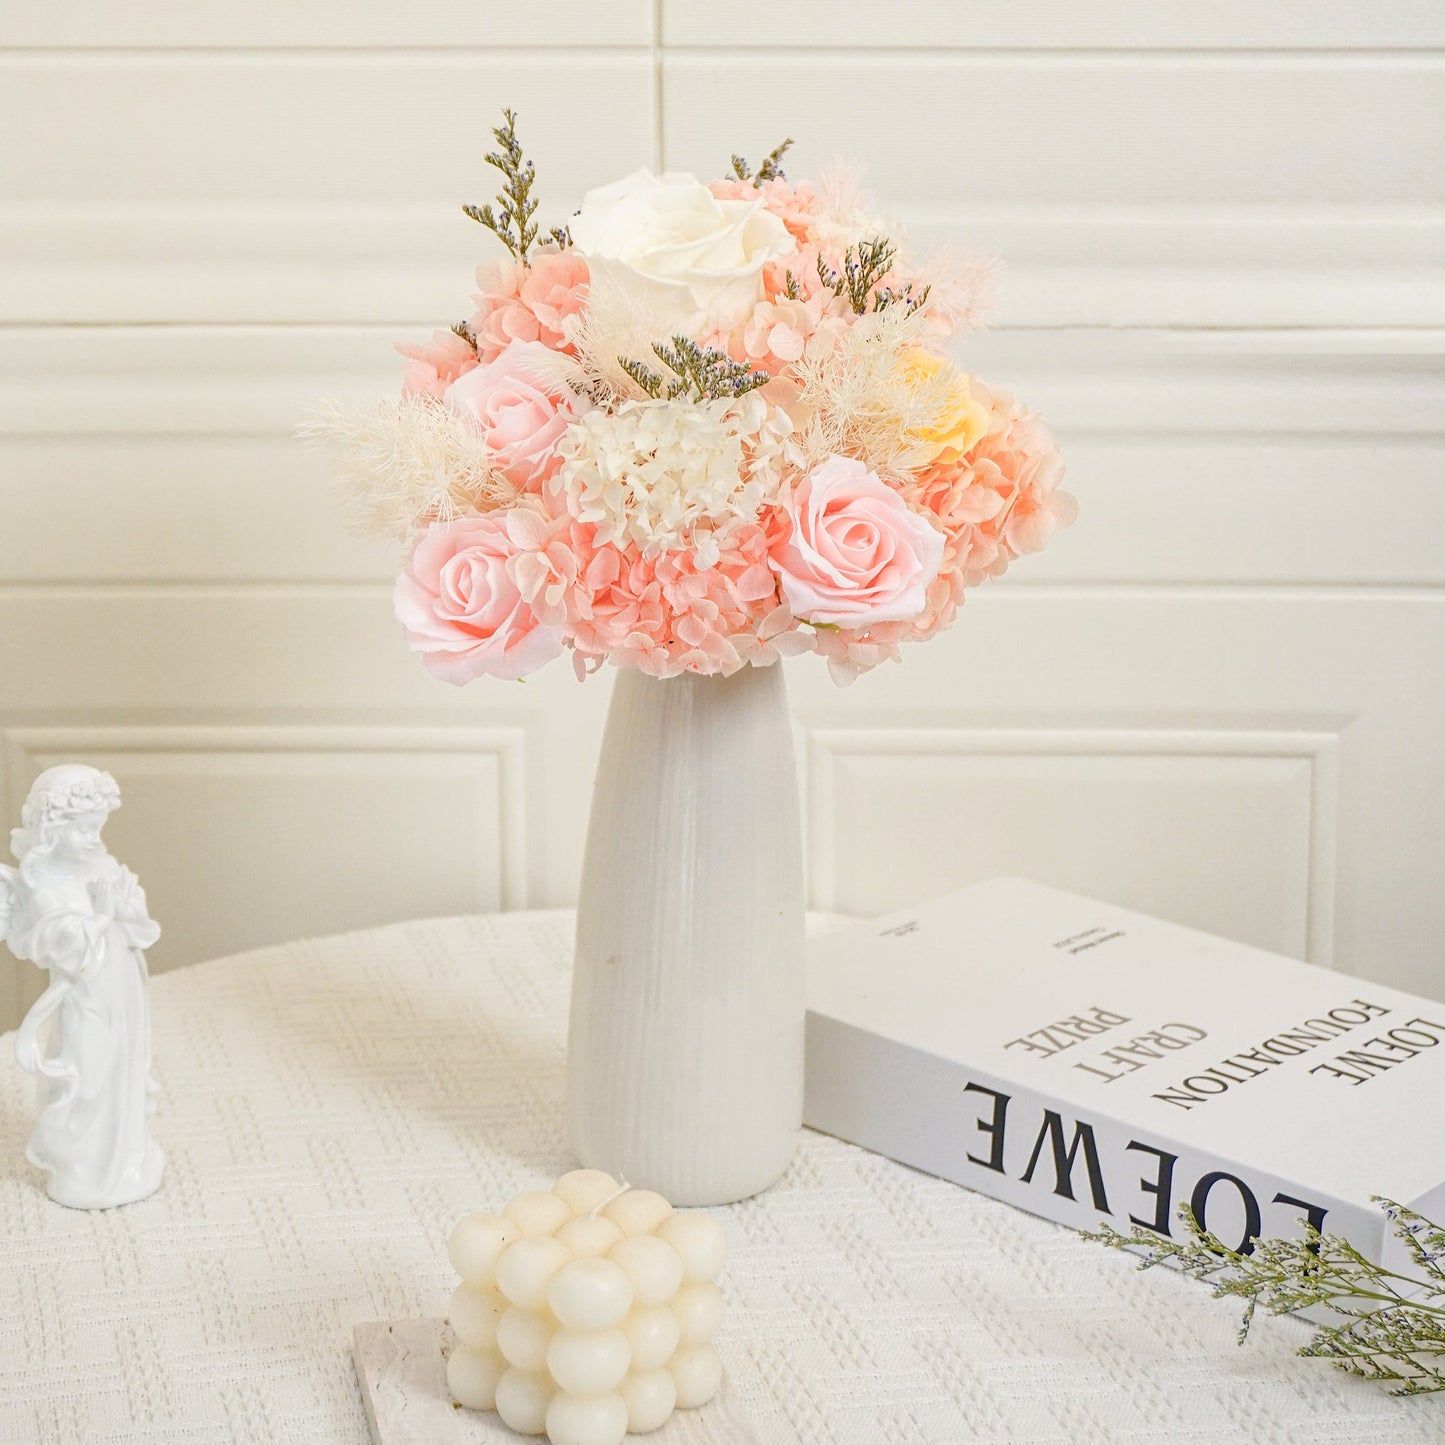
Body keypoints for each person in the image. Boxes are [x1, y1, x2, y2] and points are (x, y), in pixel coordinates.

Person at [1, 765, 164, 1208]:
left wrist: (126, 906)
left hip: (123, 983)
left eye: (98, 828)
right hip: (84, 995)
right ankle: (84, 1168)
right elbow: (60, 944)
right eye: (82, 831)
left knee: (124, 1065)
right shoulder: (42, 883)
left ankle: (128, 1157)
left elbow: (137, 915)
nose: (93, 839)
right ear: (53, 832)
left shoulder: (102, 863)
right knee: (87, 1072)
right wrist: (103, 914)